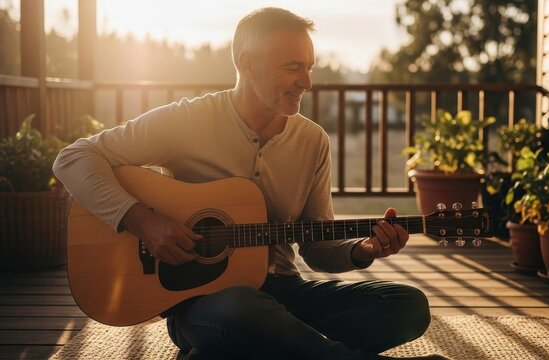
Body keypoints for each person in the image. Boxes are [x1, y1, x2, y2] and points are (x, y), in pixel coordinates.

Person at [54, 7, 435, 360]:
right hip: (204, 303)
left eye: (309, 67)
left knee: (408, 304)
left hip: (286, 291)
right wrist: (142, 221)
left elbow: (317, 250)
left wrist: (362, 249)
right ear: (247, 64)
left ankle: (266, 345)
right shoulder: (187, 120)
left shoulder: (312, 140)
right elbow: (72, 158)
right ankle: (275, 341)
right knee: (241, 310)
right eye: (292, 68)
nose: (307, 82)